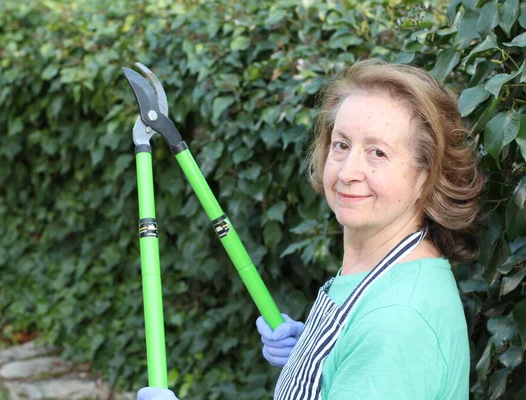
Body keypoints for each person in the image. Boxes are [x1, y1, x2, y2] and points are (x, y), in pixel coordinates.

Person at [137, 58, 485, 400]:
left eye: (377, 152)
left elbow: (386, 348)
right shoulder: (380, 273)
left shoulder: (396, 324)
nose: (348, 171)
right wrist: (320, 356)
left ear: (426, 174)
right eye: (342, 145)